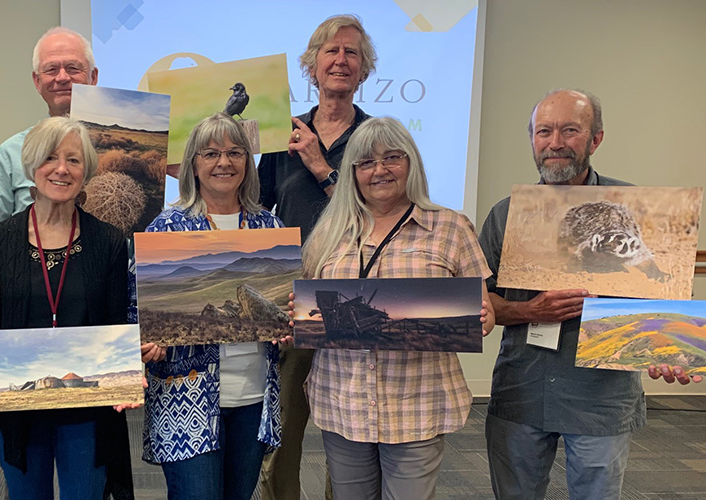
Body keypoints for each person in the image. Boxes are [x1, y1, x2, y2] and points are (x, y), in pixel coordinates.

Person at [479, 89, 700, 500]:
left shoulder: (637, 209)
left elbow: (667, 299)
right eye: (543, 131)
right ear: (532, 139)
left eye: (570, 130)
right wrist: (529, 309)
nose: (555, 143)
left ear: (595, 139)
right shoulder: (506, 214)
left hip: (601, 397)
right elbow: (480, 302)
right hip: (522, 389)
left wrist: (670, 350)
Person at [300, 116, 494, 500]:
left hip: (416, 403)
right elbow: (306, 300)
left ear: (411, 164)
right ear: (353, 172)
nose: (380, 170)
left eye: (392, 157)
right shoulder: (328, 231)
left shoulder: (451, 227)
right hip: (344, 400)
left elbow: (484, 307)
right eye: (366, 163)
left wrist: (485, 317)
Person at [0, 116, 134, 500]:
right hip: (20, 409)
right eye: (50, 158)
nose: (61, 169)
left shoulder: (107, 241)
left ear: (86, 170)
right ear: (31, 166)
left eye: (73, 160)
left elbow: (116, 321)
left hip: (86, 410)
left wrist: (126, 376)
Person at [256, 14, 375, 500]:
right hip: (291, 297)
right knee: (282, 428)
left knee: (350, 431)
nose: (341, 60)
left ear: (365, 69)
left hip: (353, 294)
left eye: (351, 52)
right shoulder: (282, 134)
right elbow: (256, 209)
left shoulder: (377, 138)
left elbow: (378, 215)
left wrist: (321, 166)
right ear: (312, 66)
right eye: (331, 51)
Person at [140, 113, 286, 500]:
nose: (224, 162)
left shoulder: (270, 226)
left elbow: (285, 311)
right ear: (193, 164)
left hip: (253, 396)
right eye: (211, 153)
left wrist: (292, 324)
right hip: (184, 399)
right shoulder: (166, 227)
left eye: (235, 152)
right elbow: (135, 307)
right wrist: (147, 341)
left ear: (247, 163)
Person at [0, 27, 99, 223]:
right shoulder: (9, 155)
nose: (62, 77)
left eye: (73, 68)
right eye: (51, 69)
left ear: (93, 77)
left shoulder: (124, 151)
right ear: (37, 81)